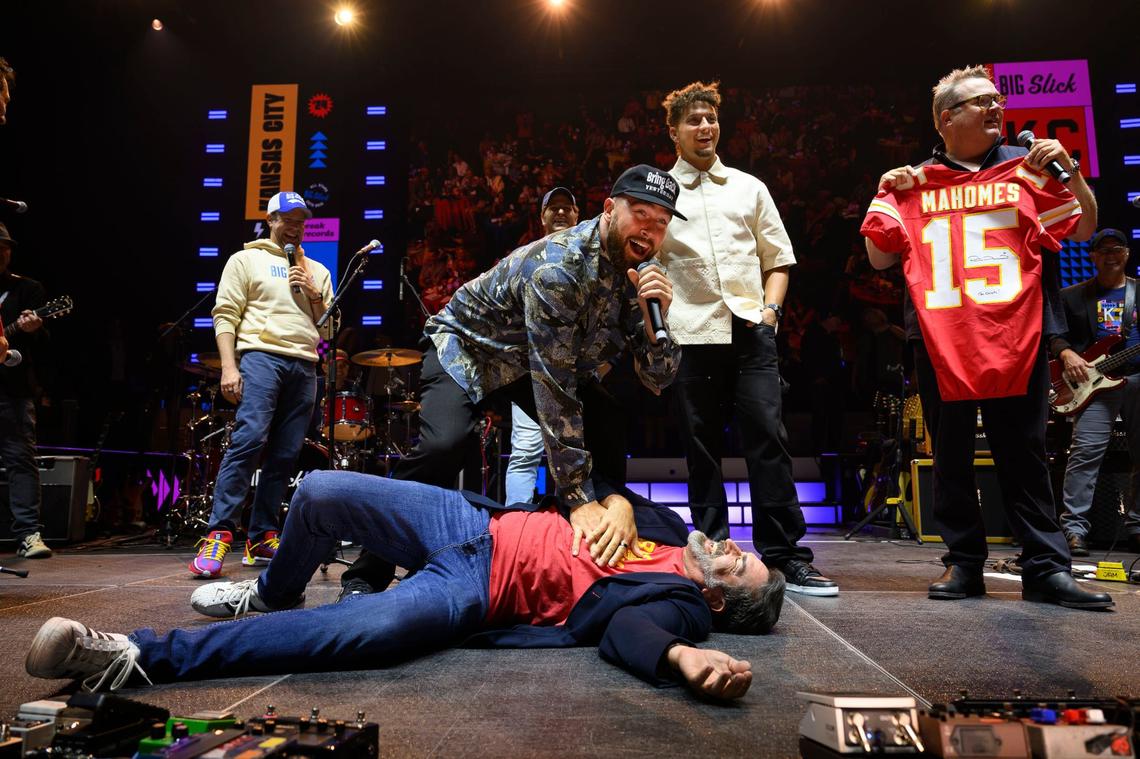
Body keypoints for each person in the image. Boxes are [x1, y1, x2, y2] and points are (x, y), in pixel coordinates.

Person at [26, 470, 784, 700]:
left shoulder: (680, 602)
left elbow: (628, 634)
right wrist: (615, 506)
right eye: (735, 544)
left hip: (476, 585)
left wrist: (684, 660)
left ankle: (136, 654)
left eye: (733, 561)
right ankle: (273, 589)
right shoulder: (672, 527)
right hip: (471, 521)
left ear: (716, 598)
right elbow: (621, 495)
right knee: (319, 491)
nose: (724, 544)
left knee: (369, 632)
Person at [339, 165, 683, 597]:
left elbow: (658, 379)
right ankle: (365, 574)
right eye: (641, 214)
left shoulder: (643, 273)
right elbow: (555, 387)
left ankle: (590, 546)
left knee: (608, 419)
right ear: (610, 209)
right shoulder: (558, 267)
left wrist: (658, 327)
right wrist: (579, 497)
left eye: (661, 223)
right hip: (469, 348)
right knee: (446, 444)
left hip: (520, 362)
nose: (649, 230)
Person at [862, 64, 1111, 609]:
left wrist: (1071, 171)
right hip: (940, 337)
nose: (996, 107)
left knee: (1023, 454)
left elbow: (1087, 228)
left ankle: (1046, 568)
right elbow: (879, 256)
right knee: (949, 456)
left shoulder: (1027, 169)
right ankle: (964, 563)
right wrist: (886, 190)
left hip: (1015, 336)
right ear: (946, 118)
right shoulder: (916, 179)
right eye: (981, 102)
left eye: (997, 99)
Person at [657, 81, 837, 596]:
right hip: (690, 335)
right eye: (693, 120)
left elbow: (777, 259)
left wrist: (769, 315)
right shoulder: (660, 194)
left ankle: (786, 556)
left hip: (749, 331)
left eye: (710, 118)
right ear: (674, 131)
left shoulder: (748, 186)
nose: (705, 127)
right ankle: (714, 559)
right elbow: (646, 263)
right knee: (702, 451)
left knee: (769, 441)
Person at [188, 191, 332, 578]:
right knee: (249, 440)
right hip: (261, 357)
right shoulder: (246, 259)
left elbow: (329, 328)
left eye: (302, 221)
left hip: (305, 365)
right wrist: (229, 368)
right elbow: (224, 315)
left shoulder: (318, 270)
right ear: (271, 220)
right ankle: (219, 532)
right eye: (289, 219)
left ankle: (262, 535)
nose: (297, 227)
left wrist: (316, 296)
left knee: (286, 454)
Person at [1051, 228, 1140, 556]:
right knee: (1085, 453)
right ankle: (1074, 529)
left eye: (1117, 249)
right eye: (1103, 250)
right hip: (1093, 383)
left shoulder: (1138, 292)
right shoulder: (1072, 296)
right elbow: (1052, 332)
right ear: (1092, 256)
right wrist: (1066, 352)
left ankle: (1137, 525)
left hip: (1136, 377)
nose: (1111, 255)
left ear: (1127, 253)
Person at [504, 186, 580, 506]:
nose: (561, 212)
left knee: (573, 456)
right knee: (525, 452)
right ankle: (515, 531)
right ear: (543, 218)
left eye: (567, 207)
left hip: (576, 373)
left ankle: (572, 533)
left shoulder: (590, 258)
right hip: (531, 372)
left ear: (578, 216)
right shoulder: (522, 258)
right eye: (554, 208)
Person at [0, 222, 50, 559]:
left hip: (12, 389)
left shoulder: (26, 290)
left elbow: (45, 347)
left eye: (5, 247)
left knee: (20, 459)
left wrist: (32, 329)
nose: (2, 252)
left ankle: (29, 533)